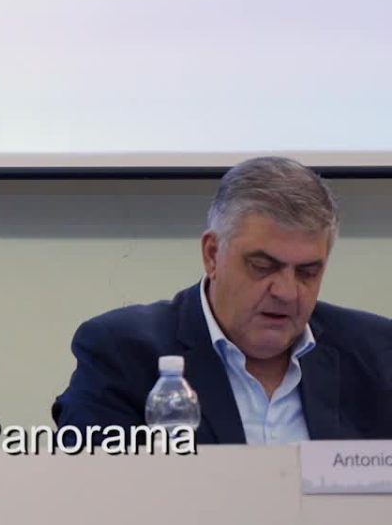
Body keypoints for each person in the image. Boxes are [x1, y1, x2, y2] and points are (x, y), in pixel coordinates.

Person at [53, 157, 392, 443]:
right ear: (212, 254)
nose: (287, 292)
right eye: (263, 267)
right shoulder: (122, 353)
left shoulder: (377, 354)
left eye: (307, 272)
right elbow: (92, 488)